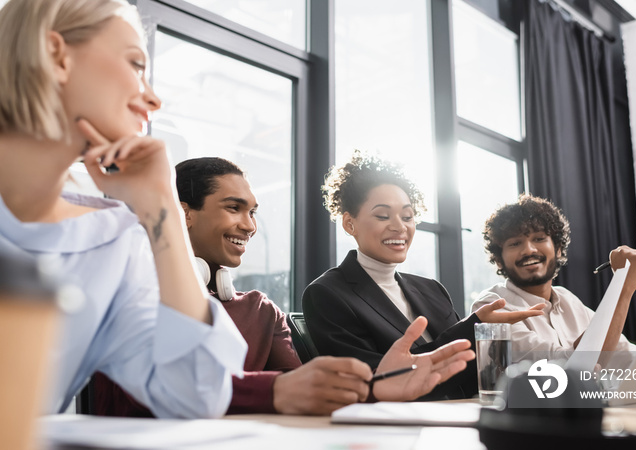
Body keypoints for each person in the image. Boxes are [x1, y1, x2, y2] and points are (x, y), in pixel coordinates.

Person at [0, 0, 250, 418]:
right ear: (57, 56)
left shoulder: (112, 239)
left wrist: (162, 204)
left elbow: (193, 397)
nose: (152, 100)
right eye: (136, 64)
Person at [96, 157, 476, 416]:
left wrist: (379, 384)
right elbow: (140, 401)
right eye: (234, 208)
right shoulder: (129, 294)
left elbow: (307, 389)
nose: (250, 225)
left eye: (253, 212)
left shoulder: (260, 310)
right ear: (184, 214)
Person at [302, 154, 544, 400]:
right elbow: (370, 381)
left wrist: (490, 342)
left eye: (407, 217)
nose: (400, 226)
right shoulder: (328, 293)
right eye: (383, 216)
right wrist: (471, 328)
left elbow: (468, 374)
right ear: (349, 224)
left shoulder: (431, 289)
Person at [471, 193, 636, 362]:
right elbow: (575, 366)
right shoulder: (491, 307)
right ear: (498, 260)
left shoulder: (568, 301)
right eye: (515, 243)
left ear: (558, 249)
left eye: (539, 239)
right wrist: (622, 287)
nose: (528, 250)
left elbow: (629, 357)